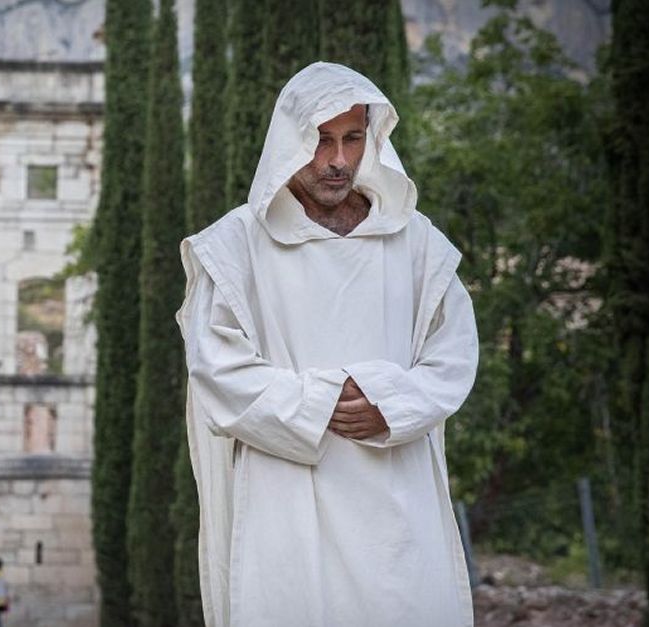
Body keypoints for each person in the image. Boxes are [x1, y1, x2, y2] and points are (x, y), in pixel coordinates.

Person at [178, 62, 479, 627]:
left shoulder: (416, 243)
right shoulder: (236, 246)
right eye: (321, 140)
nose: (338, 159)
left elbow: (454, 355)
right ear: (291, 140)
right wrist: (321, 403)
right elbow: (216, 369)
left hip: (396, 497)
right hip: (285, 497)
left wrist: (389, 403)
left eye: (352, 138)